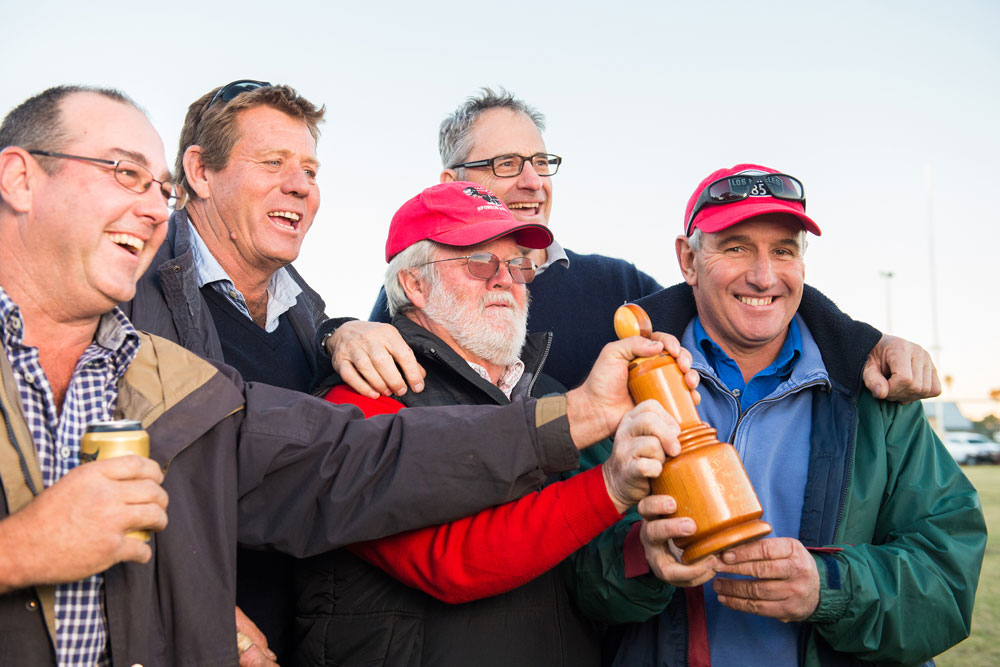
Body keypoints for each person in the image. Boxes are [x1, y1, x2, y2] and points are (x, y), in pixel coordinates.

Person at [0, 85, 670, 667]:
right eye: (123, 173)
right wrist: (22, 550)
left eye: (157, 187)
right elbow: (436, 542)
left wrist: (634, 522)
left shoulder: (186, 369)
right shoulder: (352, 376)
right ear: (19, 179)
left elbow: (343, 460)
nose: (153, 208)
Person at [324, 88, 942, 410]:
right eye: (507, 163)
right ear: (451, 184)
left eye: (541, 162)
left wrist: (865, 342)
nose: (533, 181)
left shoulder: (618, 288)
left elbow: (743, 294)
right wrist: (341, 332)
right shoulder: (416, 293)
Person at [295, 181, 695, 666]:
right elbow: (450, 562)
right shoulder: (363, 395)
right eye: (479, 260)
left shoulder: (550, 394)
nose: (506, 278)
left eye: (518, 264)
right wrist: (610, 485)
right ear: (414, 284)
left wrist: (646, 555)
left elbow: (592, 588)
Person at [602, 164, 986, 666]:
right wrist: (644, 560)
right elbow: (576, 577)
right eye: (736, 246)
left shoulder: (875, 396)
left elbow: (948, 575)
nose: (764, 276)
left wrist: (829, 589)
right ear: (688, 259)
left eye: (784, 250)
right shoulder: (623, 389)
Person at [121, 79, 329, 663]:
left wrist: (341, 332)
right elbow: (96, 476)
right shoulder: (128, 286)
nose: (299, 185)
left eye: (310, 171)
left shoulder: (310, 318)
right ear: (200, 172)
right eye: (273, 162)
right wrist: (214, 616)